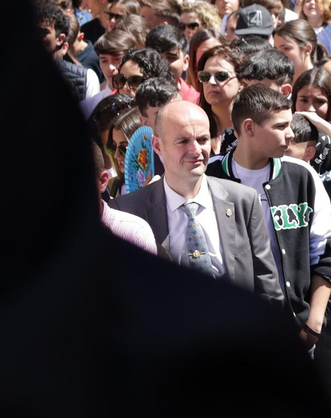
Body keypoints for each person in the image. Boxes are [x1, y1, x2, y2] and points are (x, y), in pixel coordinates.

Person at [207, 85, 331, 418]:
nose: (291, 133)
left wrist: (313, 323)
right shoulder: (210, 178)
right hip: (245, 331)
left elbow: (327, 251)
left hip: (316, 322)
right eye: (280, 126)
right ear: (248, 128)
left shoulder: (301, 174)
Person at [110, 100, 282, 300]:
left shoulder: (243, 200)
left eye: (202, 139)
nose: (195, 150)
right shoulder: (127, 211)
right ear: (158, 146)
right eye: (182, 141)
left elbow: (268, 288)